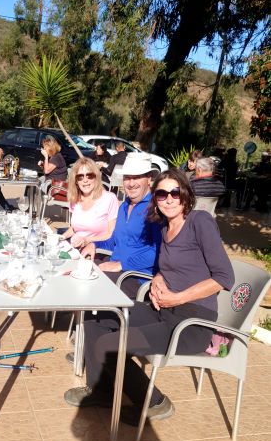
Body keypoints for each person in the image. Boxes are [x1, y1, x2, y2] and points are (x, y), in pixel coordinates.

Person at [64, 169, 235, 426]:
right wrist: (158, 279)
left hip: (192, 322)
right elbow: (166, 268)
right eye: (161, 193)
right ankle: (102, 391)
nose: (168, 199)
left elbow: (224, 278)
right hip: (163, 310)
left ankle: (155, 402)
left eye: (174, 193)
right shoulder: (166, 226)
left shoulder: (199, 222)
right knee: (94, 317)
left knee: (108, 346)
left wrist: (177, 298)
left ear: (186, 195)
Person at [81, 156, 162, 298]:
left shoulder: (155, 209)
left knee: (88, 286)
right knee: (76, 269)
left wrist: (122, 265)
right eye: (127, 178)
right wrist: (94, 244)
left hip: (136, 277)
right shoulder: (124, 205)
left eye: (136, 177)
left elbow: (159, 252)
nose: (131, 183)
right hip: (114, 267)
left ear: (149, 178)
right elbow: (114, 240)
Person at [61, 158, 119, 249]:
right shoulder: (75, 199)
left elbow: (111, 234)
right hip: (74, 247)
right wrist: (61, 237)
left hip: (96, 249)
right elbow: (74, 228)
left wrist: (86, 240)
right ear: (76, 181)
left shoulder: (109, 199)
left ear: (96, 177)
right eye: (80, 176)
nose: (85, 180)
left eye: (89, 175)